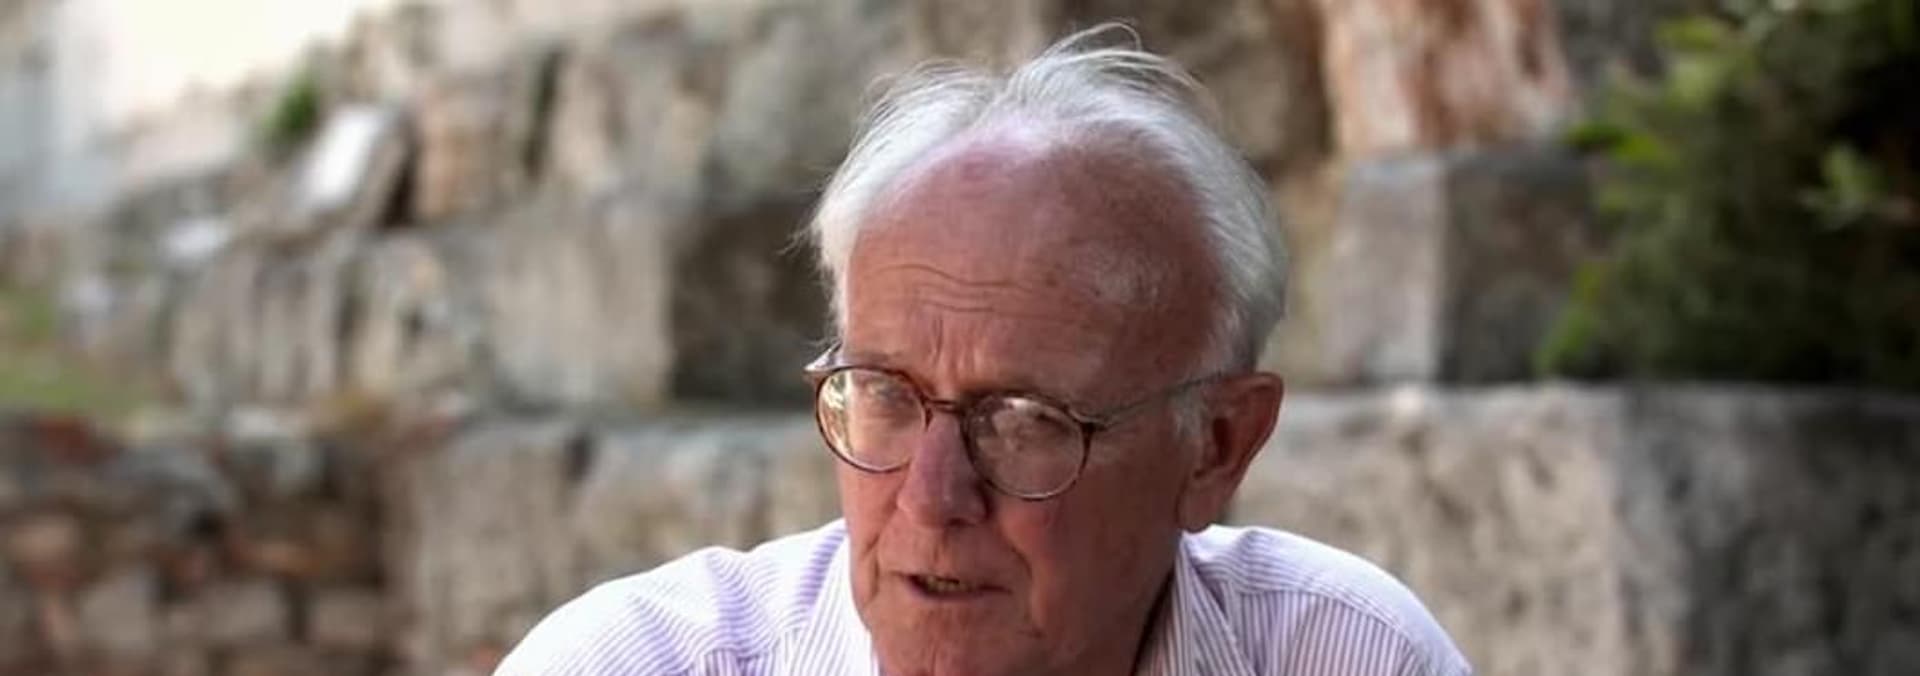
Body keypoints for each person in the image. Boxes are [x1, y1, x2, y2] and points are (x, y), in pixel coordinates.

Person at [496, 24, 1470, 676]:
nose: (930, 497)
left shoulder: (1348, 654)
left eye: (1022, 421)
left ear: (1216, 446)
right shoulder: (630, 662)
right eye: (884, 393)